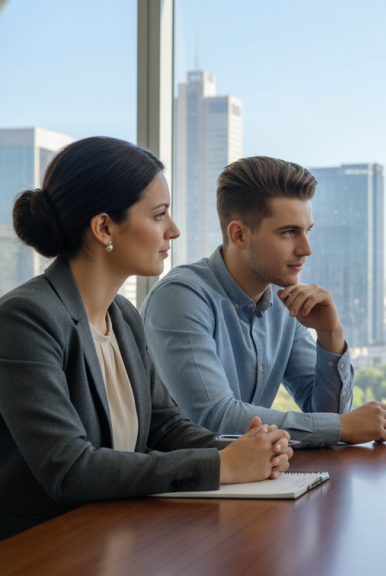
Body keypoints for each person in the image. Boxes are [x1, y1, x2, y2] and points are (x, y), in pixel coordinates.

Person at [0, 137, 293, 541]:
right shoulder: (25, 319)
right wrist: (223, 466)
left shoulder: (123, 315)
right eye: (159, 215)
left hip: (117, 533)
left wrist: (244, 447)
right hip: (44, 546)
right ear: (104, 227)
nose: (173, 229)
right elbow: (69, 468)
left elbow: (165, 425)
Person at [141, 156, 386, 448]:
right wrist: (341, 426)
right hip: (183, 486)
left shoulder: (282, 305)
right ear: (239, 235)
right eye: (289, 232)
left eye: (307, 231)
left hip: (251, 480)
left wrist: (331, 335)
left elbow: (329, 419)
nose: (306, 249)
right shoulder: (180, 297)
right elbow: (214, 418)